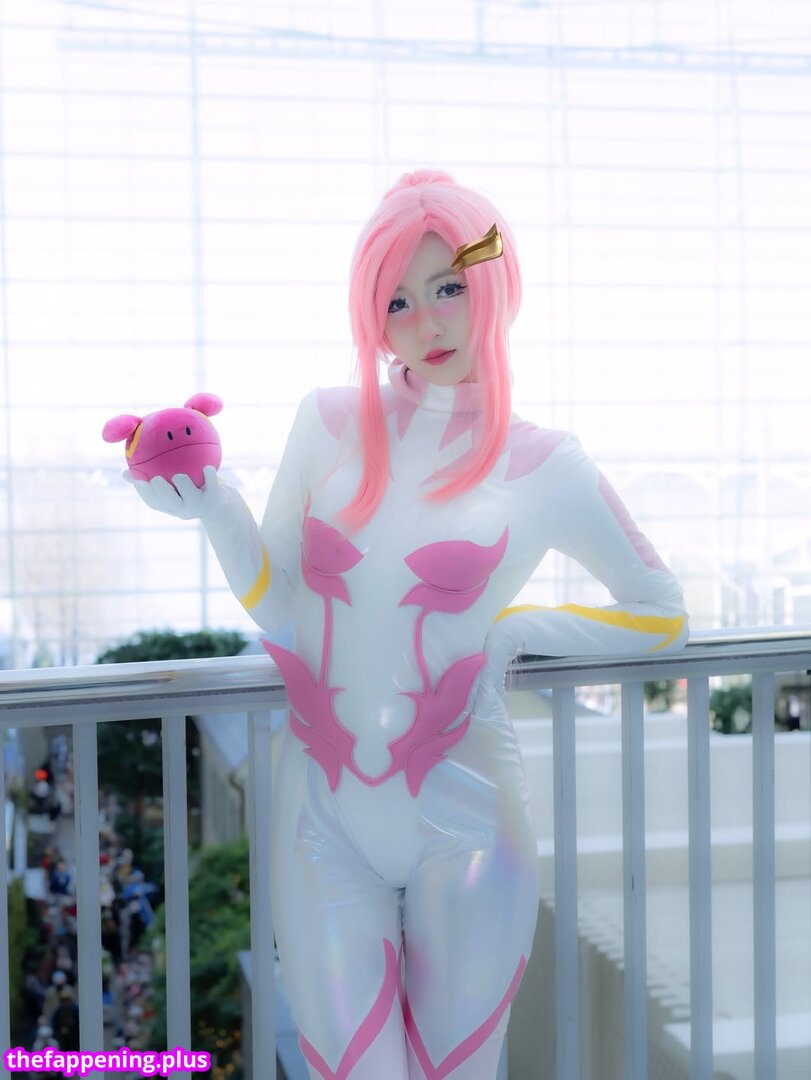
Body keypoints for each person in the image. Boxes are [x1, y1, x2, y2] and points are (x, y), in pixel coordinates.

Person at [126, 170, 688, 1079]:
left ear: (493, 283)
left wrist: (515, 631)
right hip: (318, 813)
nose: (425, 321)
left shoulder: (547, 462)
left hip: (467, 813)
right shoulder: (327, 421)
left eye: (448, 287)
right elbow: (282, 605)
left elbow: (661, 617)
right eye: (395, 300)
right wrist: (216, 508)